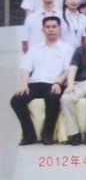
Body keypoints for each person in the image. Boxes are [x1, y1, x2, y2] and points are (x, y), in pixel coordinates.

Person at [11, 16, 72, 145]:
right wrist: (24, 85)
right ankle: (29, 135)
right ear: (43, 30)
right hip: (35, 84)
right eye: (47, 27)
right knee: (16, 100)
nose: (51, 29)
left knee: (52, 97)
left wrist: (59, 83)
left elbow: (68, 70)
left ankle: (47, 134)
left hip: (54, 84)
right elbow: (25, 68)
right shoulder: (34, 48)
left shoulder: (67, 48)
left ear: (59, 29)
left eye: (54, 27)